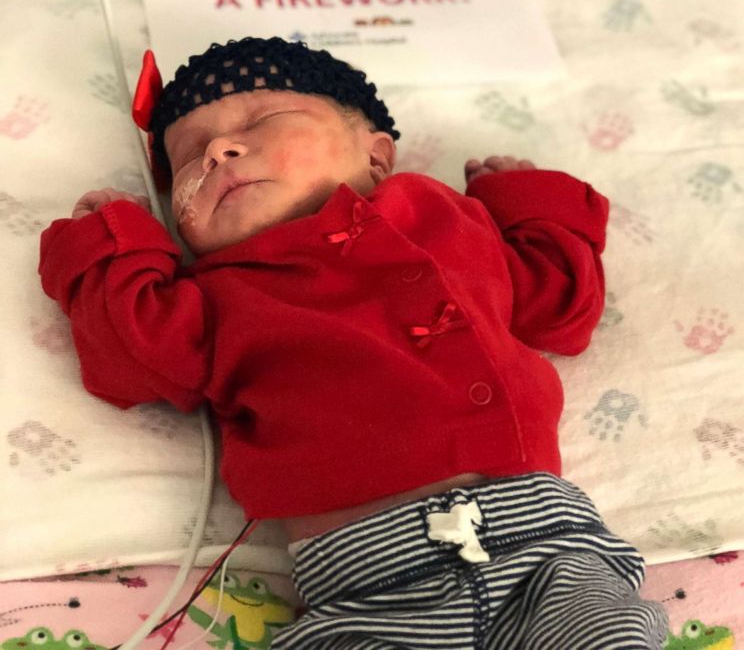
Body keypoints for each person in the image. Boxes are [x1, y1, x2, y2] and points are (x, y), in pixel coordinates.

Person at [39, 35, 668, 649]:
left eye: (262, 120)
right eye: (188, 158)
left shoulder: (451, 222)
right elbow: (129, 353)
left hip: (545, 552)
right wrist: (110, 247)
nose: (219, 152)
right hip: (365, 589)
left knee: (606, 634)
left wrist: (529, 202)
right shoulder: (219, 295)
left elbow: (561, 305)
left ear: (376, 157)